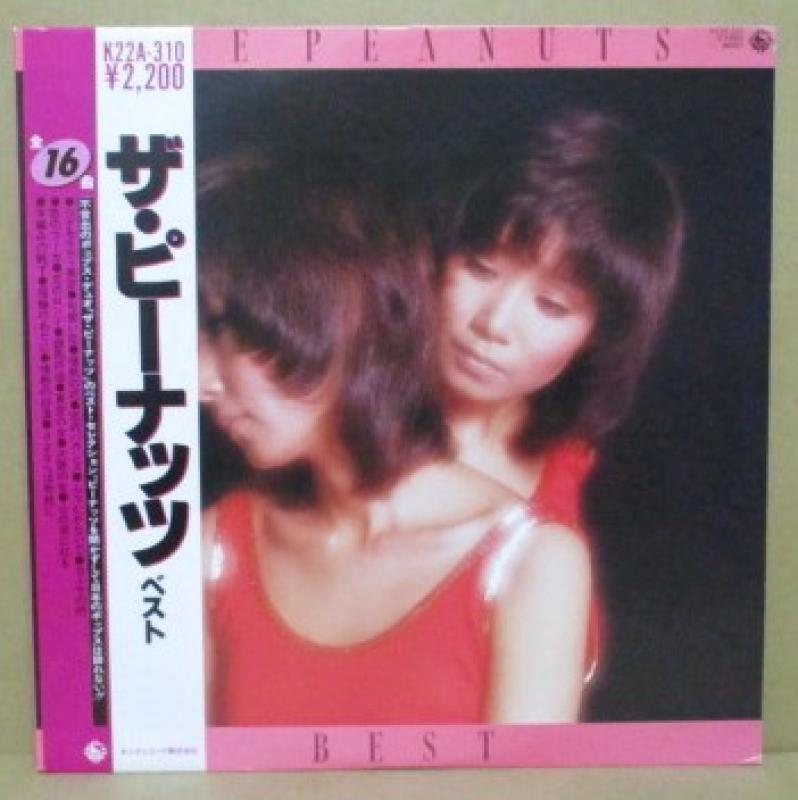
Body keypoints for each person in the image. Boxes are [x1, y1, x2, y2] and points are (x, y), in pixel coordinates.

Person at [197, 151, 592, 725]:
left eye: (223, 334)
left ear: (328, 316)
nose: (199, 383)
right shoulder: (212, 549)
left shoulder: (531, 563)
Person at [435, 110, 685, 683]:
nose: (494, 322)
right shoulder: (328, 420)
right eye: (480, 267)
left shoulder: (573, 479)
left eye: (551, 305)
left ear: (598, 333)